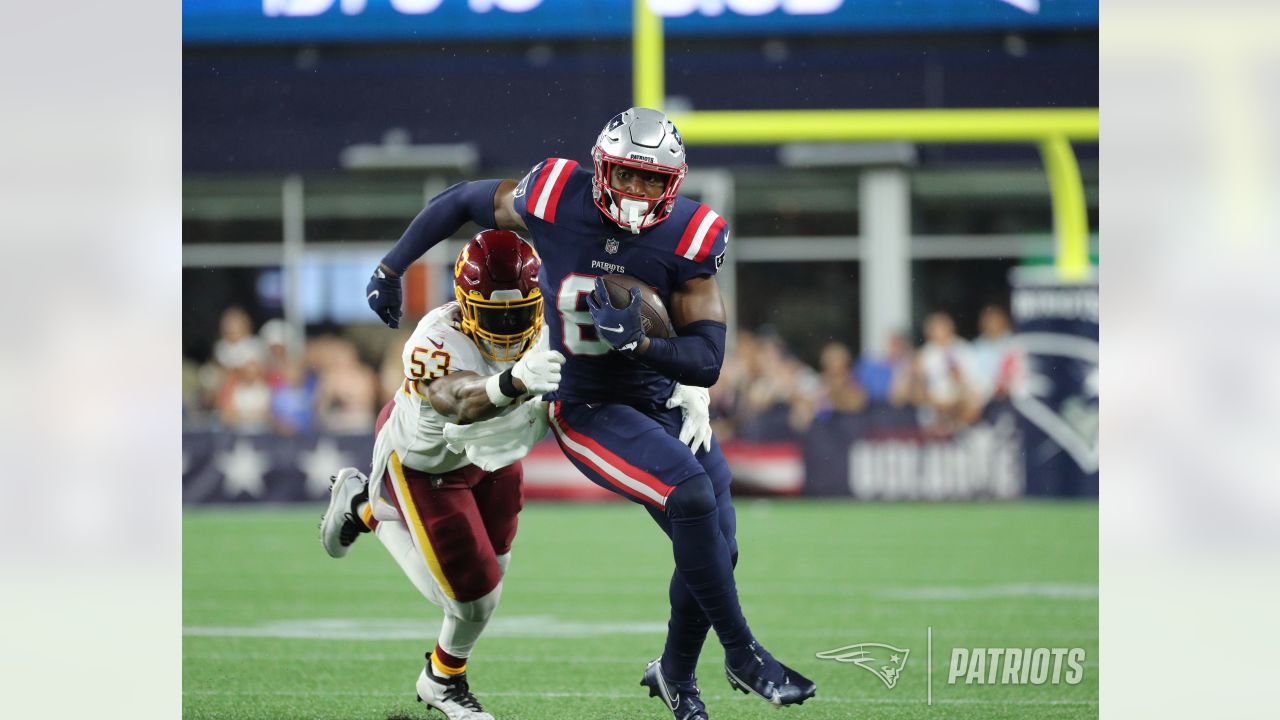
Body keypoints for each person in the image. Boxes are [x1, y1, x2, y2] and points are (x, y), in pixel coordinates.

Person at [363, 108, 816, 719]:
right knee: (688, 499)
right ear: (601, 167)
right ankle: (743, 653)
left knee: (719, 547)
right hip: (588, 402)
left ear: (674, 183)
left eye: (653, 180)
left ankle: (676, 675)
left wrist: (648, 347)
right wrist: (393, 265)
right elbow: (462, 200)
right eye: (627, 175)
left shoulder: (691, 233)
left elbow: (706, 359)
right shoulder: (554, 195)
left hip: (663, 396)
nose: (637, 192)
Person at [320, 230, 564, 720]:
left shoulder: (551, 319)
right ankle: (366, 507)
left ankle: (442, 675)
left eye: (521, 312)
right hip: (427, 463)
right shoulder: (435, 339)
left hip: (492, 455)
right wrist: (513, 380)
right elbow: (457, 402)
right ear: (466, 306)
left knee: (494, 574)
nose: (514, 326)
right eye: (498, 316)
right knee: (471, 598)